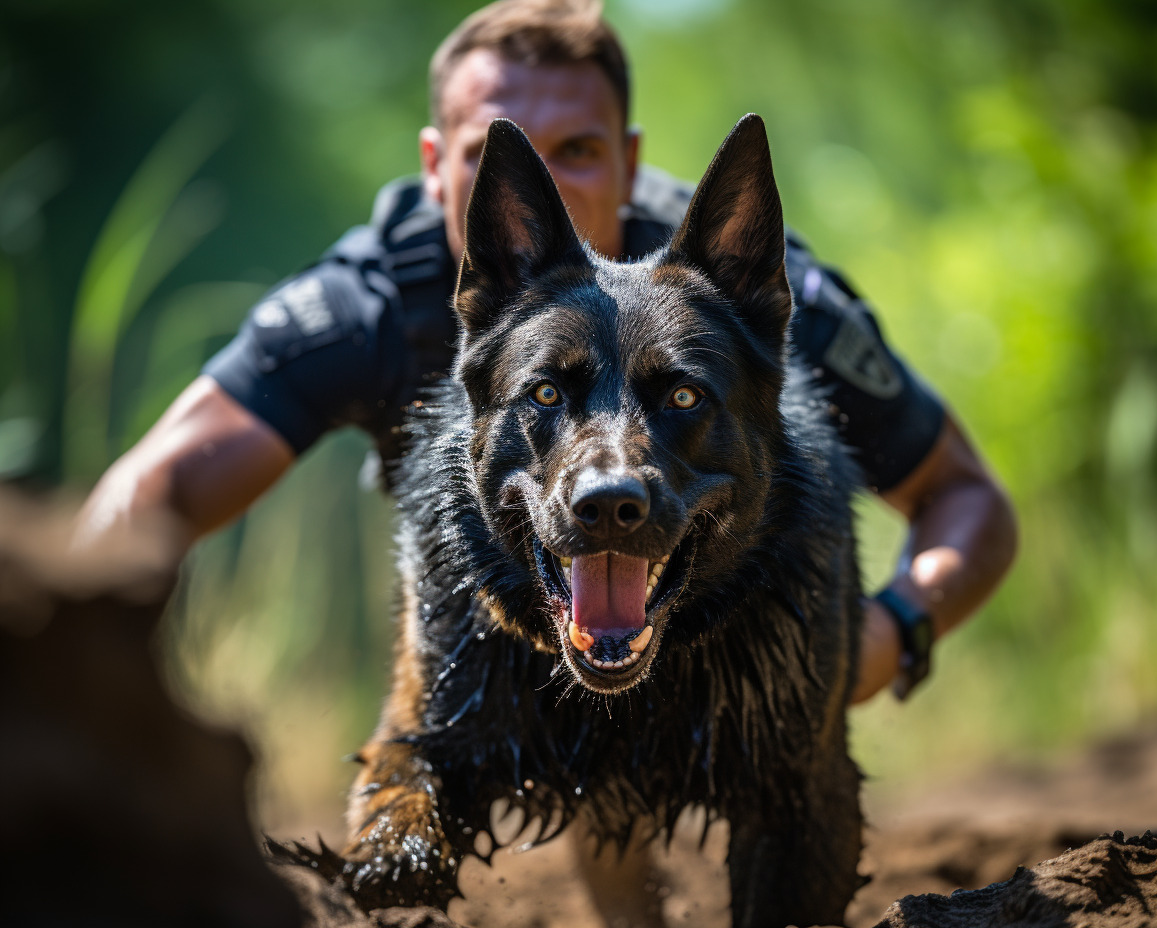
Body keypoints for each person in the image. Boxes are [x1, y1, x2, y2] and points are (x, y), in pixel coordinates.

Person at [75, 0, 1016, 707]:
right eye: (500, 154)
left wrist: (891, 632)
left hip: (698, 636)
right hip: (491, 636)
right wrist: (77, 698)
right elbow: (147, 496)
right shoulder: (363, 306)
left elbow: (966, 497)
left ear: (630, 155)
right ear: (436, 164)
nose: (550, 192)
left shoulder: (734, 294)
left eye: (579, 151)